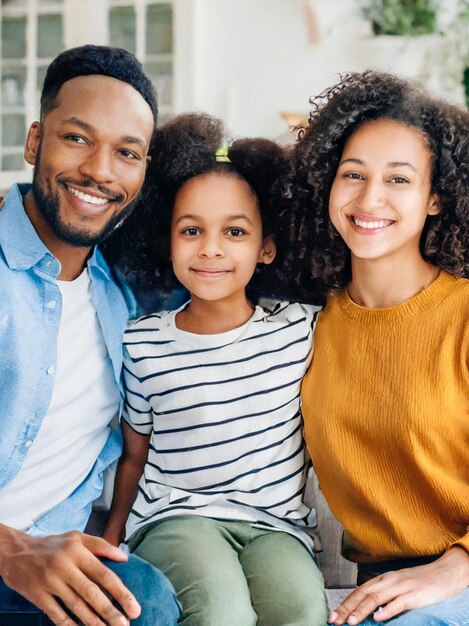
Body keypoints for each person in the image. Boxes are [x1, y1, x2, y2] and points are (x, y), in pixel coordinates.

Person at [101, 113, 328, 626]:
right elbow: (134, 457)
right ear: (167, 241)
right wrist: (110, 538)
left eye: (235, 231)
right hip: (177, 517)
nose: (211, 248)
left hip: (278, 528)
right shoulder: (143, 341)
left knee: (302, 610)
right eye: (191, 230)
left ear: (266, 247)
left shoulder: (302, 330)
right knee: (221, 612)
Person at [284, 70, 469, 625]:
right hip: (380, 593)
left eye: (399, 179)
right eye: (353, 174)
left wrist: (456, 567)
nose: (369, 198)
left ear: (436, 199)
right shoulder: (304, 326)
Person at [0, 45, 180, 626]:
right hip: (15, 559)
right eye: (77, 138)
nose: (101, 170)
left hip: (54, 569)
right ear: (34, 143)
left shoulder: (128, 292)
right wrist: (12, 551)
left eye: (126, 152)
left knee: (143, 599)